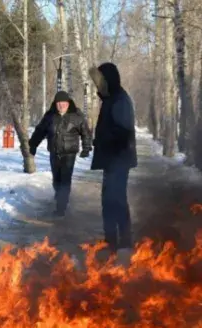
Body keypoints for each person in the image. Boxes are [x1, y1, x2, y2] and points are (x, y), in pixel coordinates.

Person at [88, 62, 137, 254]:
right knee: (109, 199)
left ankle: (123, 241)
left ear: (109, 80)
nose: (97, 86)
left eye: (100, 81)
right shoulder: (111, 99)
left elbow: (123, 132)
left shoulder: (119, 100)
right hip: (112, 159)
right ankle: (111, 239)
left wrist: (104, 141)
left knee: (115, 199)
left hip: (118, 159)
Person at [28, 91, 92, 216]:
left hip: (69, 154)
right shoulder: (50, 116)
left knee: (65, 179)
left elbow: (86, 133)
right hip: (54, 152)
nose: (61, 106)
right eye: (58, 103)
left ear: (68, 103)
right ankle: (59, 197)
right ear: (55, 104)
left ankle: (61, 206)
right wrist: (33, 145)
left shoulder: (76, 116)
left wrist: (86, 148)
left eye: (63, 103)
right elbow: (40, 131)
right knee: (56, 179)